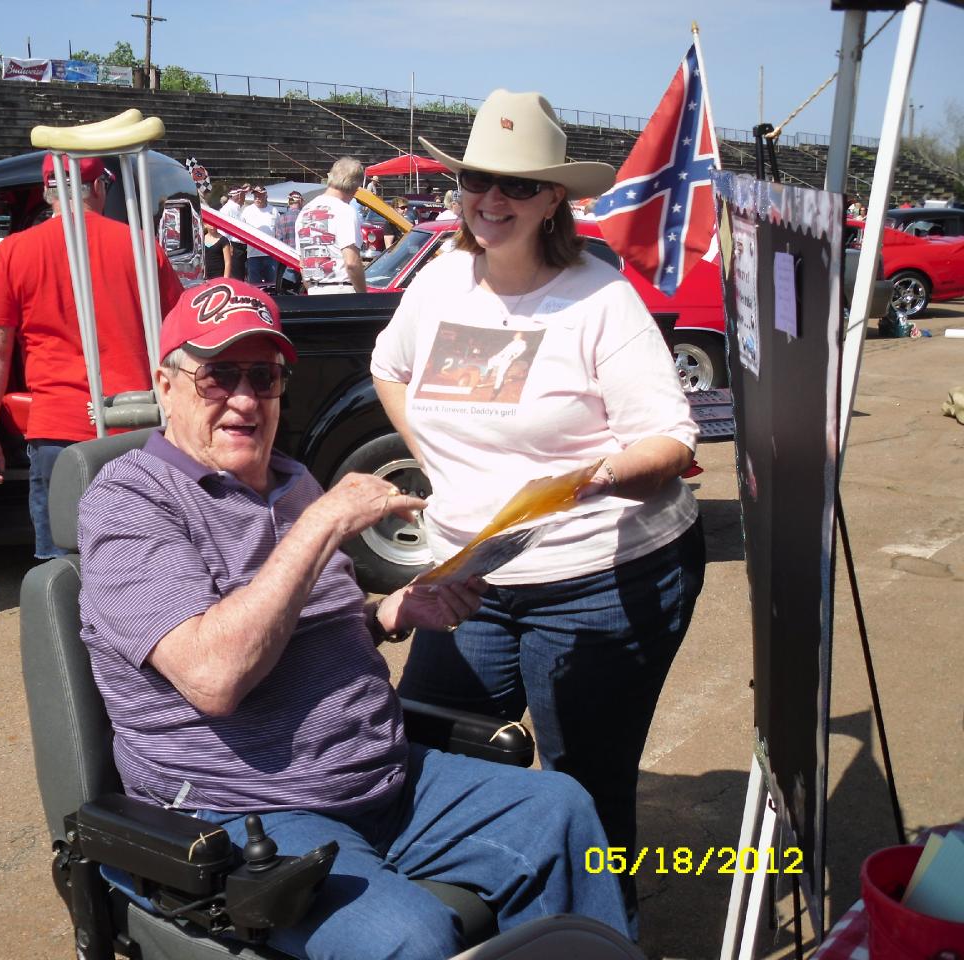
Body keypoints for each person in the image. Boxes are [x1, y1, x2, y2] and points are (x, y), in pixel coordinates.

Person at [78, 278, 628, 960]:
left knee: (561, 812)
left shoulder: (290, 480)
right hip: (246, 807)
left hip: (381, 780)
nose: (245, 399)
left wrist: (388, 613)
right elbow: (213, 674)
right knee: (409, 937)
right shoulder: (131, 503)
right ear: (166, 386)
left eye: (263, 377)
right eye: (218, 376)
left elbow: (297, 629)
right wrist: (324, 522)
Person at [370, 89, 706, 936]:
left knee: (584, 787)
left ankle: (604, 938)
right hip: (471, 574)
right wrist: (437, 458)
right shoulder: (438, 281)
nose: (492, 199)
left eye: (518, 185)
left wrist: (593, 478)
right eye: (478, 179)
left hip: (600, 576)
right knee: (426, 750)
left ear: (554, 197)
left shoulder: (599, 299)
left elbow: (670, 442)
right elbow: (389, 367)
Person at [0, 154, 183, 559]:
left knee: (65, 565)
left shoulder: (12, 252)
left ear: (46, 192)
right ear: (99, 187)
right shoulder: (141, 246)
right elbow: (175, 339)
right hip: (134, 425)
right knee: (140, 560)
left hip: (57, 432)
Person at [295, 157, 367, 294]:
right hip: (341, 290)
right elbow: (351, 263)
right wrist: (364, 296)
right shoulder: (345, 211)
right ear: (355, 186)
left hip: (313, 289)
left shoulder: (305, 211)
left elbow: (303, 264)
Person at [240, 185, 279, 286]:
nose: (257, 198)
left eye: (260, 195)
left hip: (271, 255)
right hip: (253, 255)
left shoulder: (274, 210)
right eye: (255, 196)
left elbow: (278, 232)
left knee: (272, 286)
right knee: (254, 287)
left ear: (266, 196)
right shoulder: (247, 211)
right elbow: (241, 231)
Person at [219, 187, 248, 281]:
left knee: (240, 276)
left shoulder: (237, 209)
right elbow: (222, 231)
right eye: (244, 194)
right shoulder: (227, 209)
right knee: (236, 277)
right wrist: (229, 246)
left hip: (240, 248)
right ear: (239, 195)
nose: (245, 197)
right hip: (233, 248)